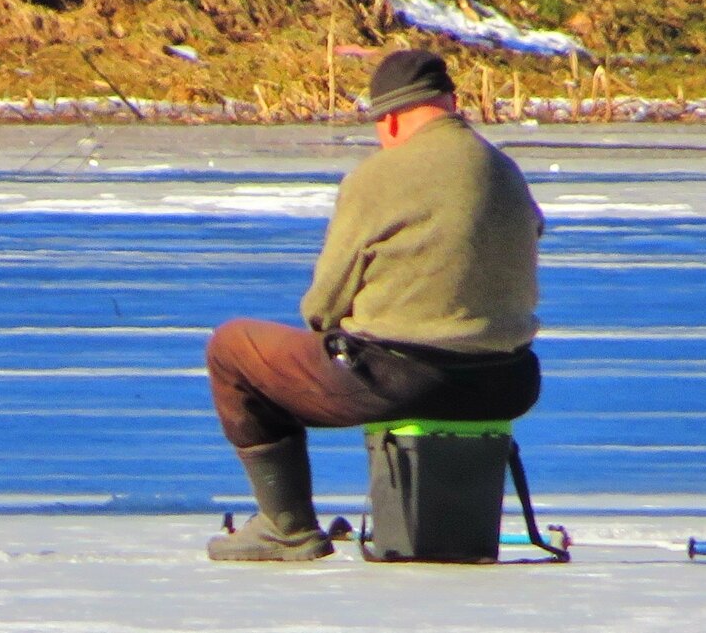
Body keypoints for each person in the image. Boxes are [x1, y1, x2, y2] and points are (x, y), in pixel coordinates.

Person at [204, 49, 545, 561]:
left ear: (388, 119)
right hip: (507, 382)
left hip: (401, 379)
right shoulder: (506, 170)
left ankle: (286, 526)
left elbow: (323, 306)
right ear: (451, 103)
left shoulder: (380, 176)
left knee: (232, 349)